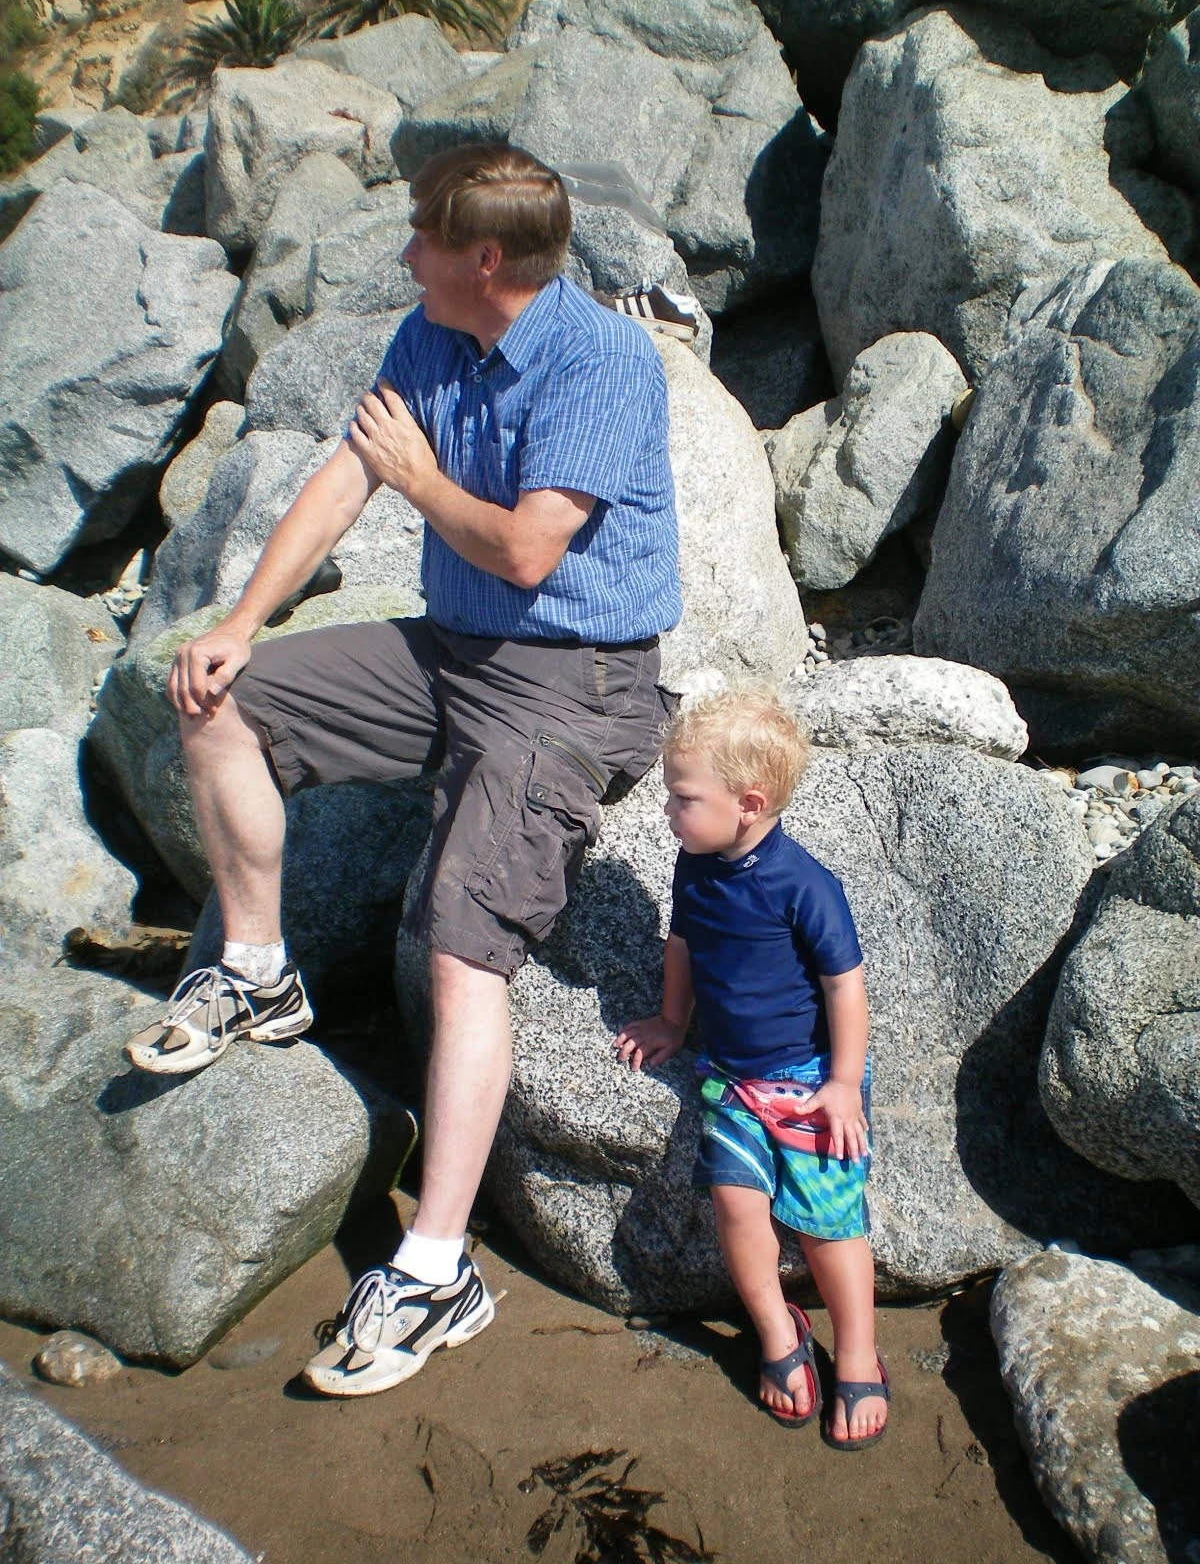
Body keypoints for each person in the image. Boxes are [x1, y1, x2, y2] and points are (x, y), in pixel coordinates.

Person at [125, 142, 682, 1397]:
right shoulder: (434, 336)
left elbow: (533, 551)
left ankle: (437, 1271)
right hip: (449, 650)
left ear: (486, 259)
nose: (403, 254)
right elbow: (338, 483)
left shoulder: (603, 362)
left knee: (457, 934)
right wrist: (240, 624)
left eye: (423, 237)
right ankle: (260, 969)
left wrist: (421, 478)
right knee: (224, 708)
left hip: (578, 680)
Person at [613, 686, 888, 1449]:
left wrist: (841, 1081)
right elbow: (683, 945)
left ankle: (858, 1350)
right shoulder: (694, 866)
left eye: (682, 797)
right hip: (731, 1076)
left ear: (749, 803)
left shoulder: (803, 884)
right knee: (736, 1204)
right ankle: (776, 1331)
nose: (668, 811)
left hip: (807, 1075)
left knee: (831, 1226)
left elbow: (845, 984)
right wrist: (673, 1019)